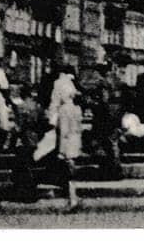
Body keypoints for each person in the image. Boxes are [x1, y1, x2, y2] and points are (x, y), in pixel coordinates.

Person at [10, 83, 44, 203]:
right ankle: (30, 192)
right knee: (29, 164)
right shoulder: (36, 106)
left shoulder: (21, 107)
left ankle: (24, 193)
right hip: (34, 137)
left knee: (23, 166)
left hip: (24, 139)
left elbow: (19, 126)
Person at [54, 76, 84, 213]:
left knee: (68, 172)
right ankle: (74, 197)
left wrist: (61, 150)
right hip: (76, 140)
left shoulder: (63, 110)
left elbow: (64, 131)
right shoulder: (77, 109)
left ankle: (72, 199)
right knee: (73, 171)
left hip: (67, 143)